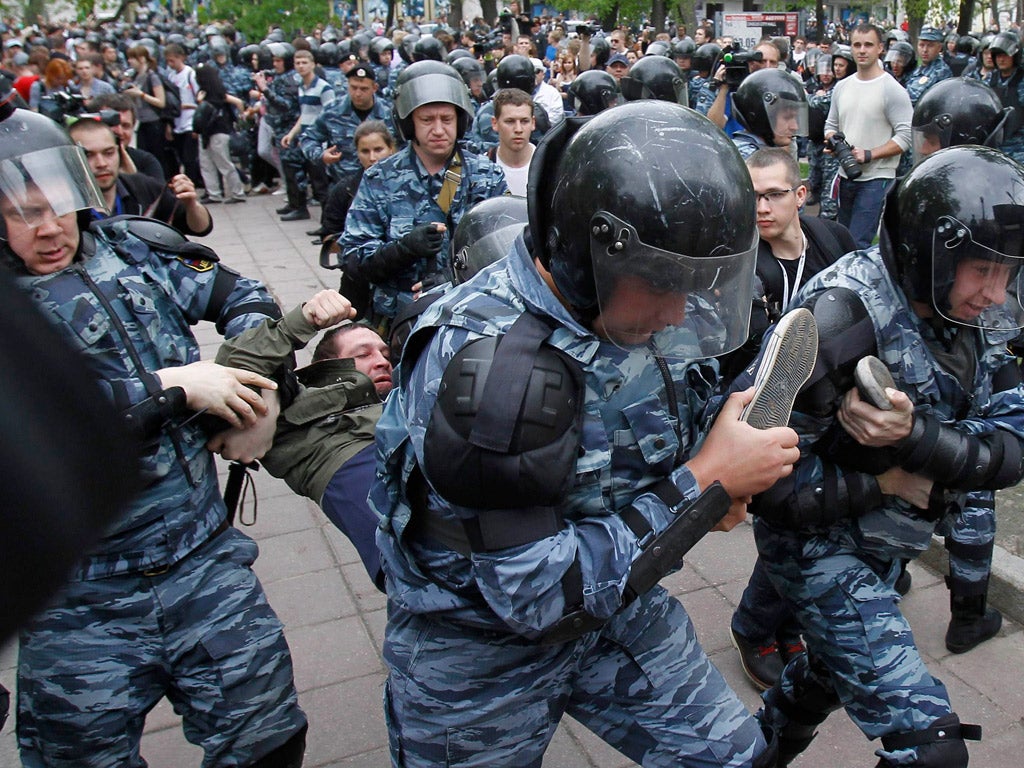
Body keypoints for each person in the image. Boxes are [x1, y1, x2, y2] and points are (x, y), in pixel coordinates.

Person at [372, 101, 803, 768]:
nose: (678, 312)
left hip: (618, 609)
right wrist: (706, 486)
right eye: (665, 285)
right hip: (482, 650)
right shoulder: (496, 372)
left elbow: (681, 398)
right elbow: (535, 595)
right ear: (587, 253)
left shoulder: (631, 302)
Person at [0, 104, 307, 768]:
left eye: (55, 201)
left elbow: (243, 296)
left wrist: (255, 389)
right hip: (82, 598)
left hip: (201, 560)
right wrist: (170, 387)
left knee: (269, 738)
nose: (48, 226)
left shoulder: (134, 250)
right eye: (22, 212)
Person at [753, 145, 1024, 766]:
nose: (995, 292)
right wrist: (892, 483)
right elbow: (763, 486)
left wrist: (911, 438)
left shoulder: (977, 317)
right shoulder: (834, 319)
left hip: (886, 547)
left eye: (1008, 272)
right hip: (820, 550)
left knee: (824, 674)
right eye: (981, 269)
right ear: (932, 251)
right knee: (930, 752)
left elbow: (1011, 449)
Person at [724, 148, 856, 690]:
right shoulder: (738, 262)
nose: (761, 207)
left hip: (834, 407)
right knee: (789, 521)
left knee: (823, 521)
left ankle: (786, 620)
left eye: (773, 194)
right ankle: (755, 626)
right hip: (769, 415)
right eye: (751, 195)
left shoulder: (834, 242)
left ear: (800, 195)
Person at [216, 290, 391, 590]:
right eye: (363, 354)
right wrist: (299, 322)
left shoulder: (406, 393)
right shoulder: (293, 411)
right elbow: (233, 368)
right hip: (408, 544)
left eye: (386, 355)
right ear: (326, 367)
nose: (381, 361)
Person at [340, 61, 506, 332]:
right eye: (427, 120)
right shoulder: (380, 180)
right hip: (398, 323)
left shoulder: (486, 176)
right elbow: (352, 258)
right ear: (408, 124)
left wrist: (453, 277)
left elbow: (508, 252)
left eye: (447, 119)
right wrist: (401, 250)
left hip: (473, 319)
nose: (439, 130)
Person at [824, 23, 912, 249]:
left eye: (868, 45)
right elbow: (831, 124)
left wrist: (870, 154)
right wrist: (834, 142)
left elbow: (906, 136)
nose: (862, 50)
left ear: (880, 48)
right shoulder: (842, 87)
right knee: (843, 239)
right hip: (846, 175)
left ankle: (856, 283)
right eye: (857, 45)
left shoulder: (891, 89)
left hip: (876, 178)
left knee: (858, 242)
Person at [298, 61, 398, 234]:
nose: (357, 93)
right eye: (353, 87)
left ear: (374, 88)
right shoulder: (333, 111)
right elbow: (308, 139)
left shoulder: (390, 113)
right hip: (345, 192)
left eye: (363, 89)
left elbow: (405, 145)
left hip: (384, 191)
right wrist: (321, 155)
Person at [67, 118, 213, 236]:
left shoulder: (143, 187)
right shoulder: (62, 206)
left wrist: (191, 204)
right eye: (88, 155)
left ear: (120, 152)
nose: (101, 163)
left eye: (109, 152)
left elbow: (201, 228)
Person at [278, 49, 335, 220]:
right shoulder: (302, 88)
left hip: (319, 143)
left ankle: (328, 224)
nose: (301, 66)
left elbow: (330, 115)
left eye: (304, 62)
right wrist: (293, 133)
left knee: (321, 185)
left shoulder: (323, 88)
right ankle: (300, 208)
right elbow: (305, 114)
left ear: (312, 64)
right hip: (305, 140)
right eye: (298, 63)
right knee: (302, 177)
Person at [194, 63, 247, 205]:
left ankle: (220, 193)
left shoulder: (205, 95)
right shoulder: (219, 93)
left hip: (212, 133)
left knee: (215, 164)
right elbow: (238, 102)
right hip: (218, 131)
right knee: (219, 163)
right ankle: (224, 193)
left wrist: (200, 102)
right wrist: (241, 119)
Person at [86, 91, 165, 183]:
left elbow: (159, 196)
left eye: (125, 126)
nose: (119, 132)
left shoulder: (146, 162)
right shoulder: (80, 160)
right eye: (112, 124)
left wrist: (133, 178)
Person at [730, 68, 808, 158]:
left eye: (796, 118)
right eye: (787, 117)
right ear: (762, 117)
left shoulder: (737, 150)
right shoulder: (755, 161)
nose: (795, 127)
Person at [164, 43, 202, 188]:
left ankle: (191, 183)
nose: (170, 64)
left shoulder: (190, 74)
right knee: (180, 155)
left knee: (189, 157)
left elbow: (198, 97)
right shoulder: (171, 76)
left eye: (172, 60)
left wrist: (189, 106)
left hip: (190, 120)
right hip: (177, 121)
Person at [120, 44, 166, 162]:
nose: (129, 61)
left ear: (142, 59)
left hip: (152, 122)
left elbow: (161, 102)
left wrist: (141, 94)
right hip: (140, 121)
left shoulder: (152, 76)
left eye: (132, 58)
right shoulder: (135, 76)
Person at [490, 87, 535, 196]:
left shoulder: (549, 165)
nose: (518, 129)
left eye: (524, 121)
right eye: (510, 121)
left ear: (533, 123)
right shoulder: (483, 168)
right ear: (495, 123)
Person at [906, 26, 952, 105]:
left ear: (939, 48)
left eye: (930, 46)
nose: (925, 50)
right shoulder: (920, 67)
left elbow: (914, 98)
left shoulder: (940, 71)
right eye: (921, 45)